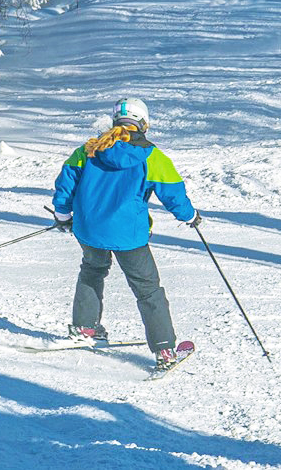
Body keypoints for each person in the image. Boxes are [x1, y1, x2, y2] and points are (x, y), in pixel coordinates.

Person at [51, 97, 199, 371]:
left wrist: (63, 216)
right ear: (143, 124)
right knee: (147, 289)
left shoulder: (88, 150)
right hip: (129, 235)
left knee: (92, 271)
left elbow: (65, 185)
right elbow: (173, 192)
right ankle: (165, 351)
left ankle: (84, 329)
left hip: (89, 230)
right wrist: (189, 216)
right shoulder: (152, 156)